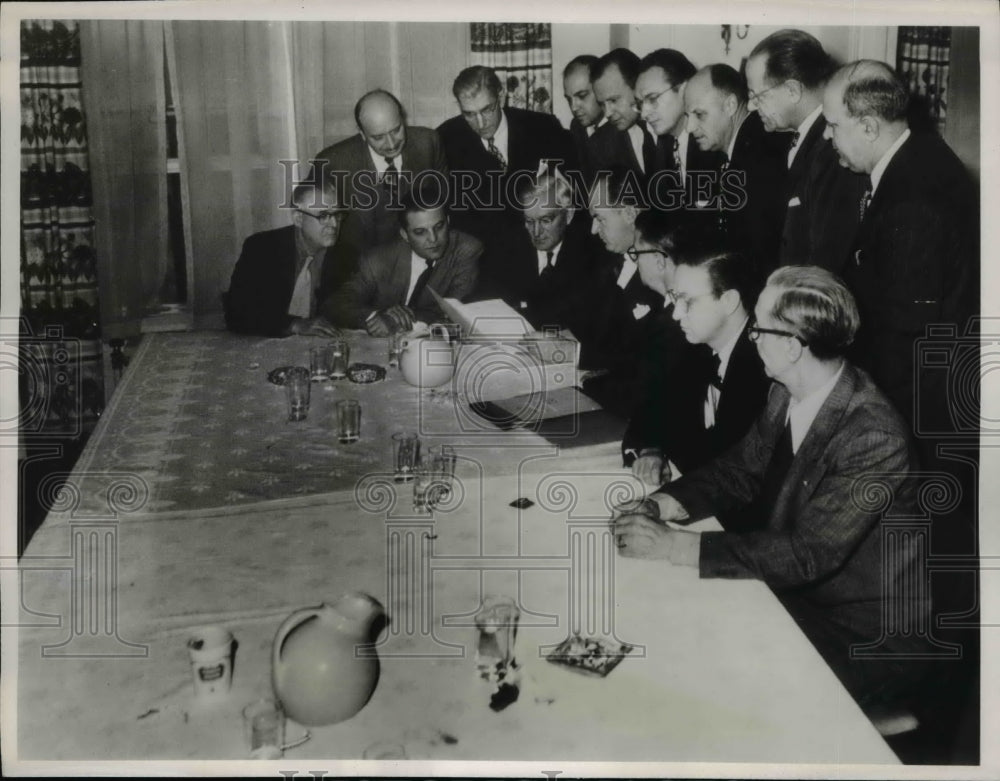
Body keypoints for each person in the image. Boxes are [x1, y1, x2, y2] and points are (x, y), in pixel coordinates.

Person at [613, 265, 931, 715]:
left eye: (759, 328)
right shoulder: (787, 392)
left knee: (698, 675)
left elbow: (806, 554)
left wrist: (674, 545)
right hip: (804, 600)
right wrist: (661, 502)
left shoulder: (874, 436)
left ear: (794, 346)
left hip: (863, 638)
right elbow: (738, 471)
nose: (751, 337)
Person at [622, 247, 771, 531]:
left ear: (728, 301)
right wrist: (653, 447)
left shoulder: (764, 370)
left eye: (687, 302)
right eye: (675, 299)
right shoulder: (697, 348)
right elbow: (652, 405)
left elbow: (730, 472)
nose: (677, 314)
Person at [745, 30, 867, 273]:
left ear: (792, 90)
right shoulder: (803, 139)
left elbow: (827, 260)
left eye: (758, 96)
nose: (751, 106)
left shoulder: (835, 150)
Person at [321, 185, 481, 334]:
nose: (433, 239)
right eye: (420, 232)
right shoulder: (378, 260)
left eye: (439, 227)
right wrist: (376, 316)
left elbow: (458, 312)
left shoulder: (466, 250)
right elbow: (336, 305)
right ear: (404, 235)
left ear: (448, 221)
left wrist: (400, 319)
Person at [311, 89, 448, 251]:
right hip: (360, 264)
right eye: (378, 137)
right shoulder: (331, 163)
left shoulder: (428, 143)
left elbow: (444, 202)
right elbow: (313, 225)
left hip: (421, 258)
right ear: (362, 134)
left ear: (402, 119)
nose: (391, 144)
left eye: (396, 130)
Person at [683, 64, 788, 273]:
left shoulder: (760, 153)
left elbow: (759, 252)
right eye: (688, 116)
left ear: (730, 105)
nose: (690, 127)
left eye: (700, 114)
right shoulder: (740, 149)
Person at [580, 167, 665, 416]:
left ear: (629, 213)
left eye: (600, 218)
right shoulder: (608, 261)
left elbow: (639, 363)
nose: (594, 230)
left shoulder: (661, 275)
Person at [224, 181, 355, 337]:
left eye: (337, 215)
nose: (334, 224)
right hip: (267, 344)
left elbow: (349, 310)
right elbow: (236, 312)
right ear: (298, 218)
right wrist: (294, 324)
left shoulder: (346, 256)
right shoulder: (262, 248)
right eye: (324, 216)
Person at [499, 168, 604, 333]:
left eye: (546, 220)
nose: (536, 232)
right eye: (529, 221)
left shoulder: (590, 258)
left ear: (568, 215)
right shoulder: (508, 250)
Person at [635, 48, 726, 187]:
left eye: (652, 99)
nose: (644, 114)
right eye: (640, 103)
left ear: (684, 90)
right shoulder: (662, 143)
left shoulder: (713, 139)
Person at [589, 49, 661, 183]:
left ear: (637, 86)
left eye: (613, 100)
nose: (608, 113)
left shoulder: (670, 122)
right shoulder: (600, 144)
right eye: (602, 104)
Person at [562, 55, 613, 184]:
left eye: (582, 96)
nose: (574, 107)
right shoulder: (577, 127)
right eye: (569, 99)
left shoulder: (620, 127)